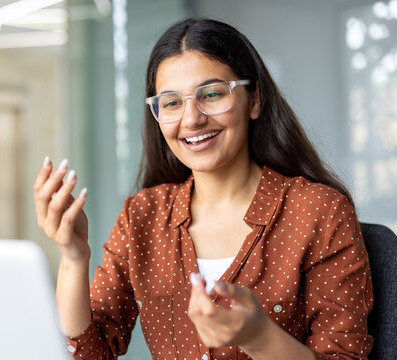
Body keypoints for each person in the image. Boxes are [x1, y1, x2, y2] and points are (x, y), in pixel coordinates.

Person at [33, 18, 373, 360]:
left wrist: (259, 337)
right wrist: (73, 258)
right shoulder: (142, 215)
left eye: (211, 94)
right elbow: (88, 354)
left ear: (254, 100)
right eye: (171, 102)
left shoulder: (319, 211)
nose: (192, 118)